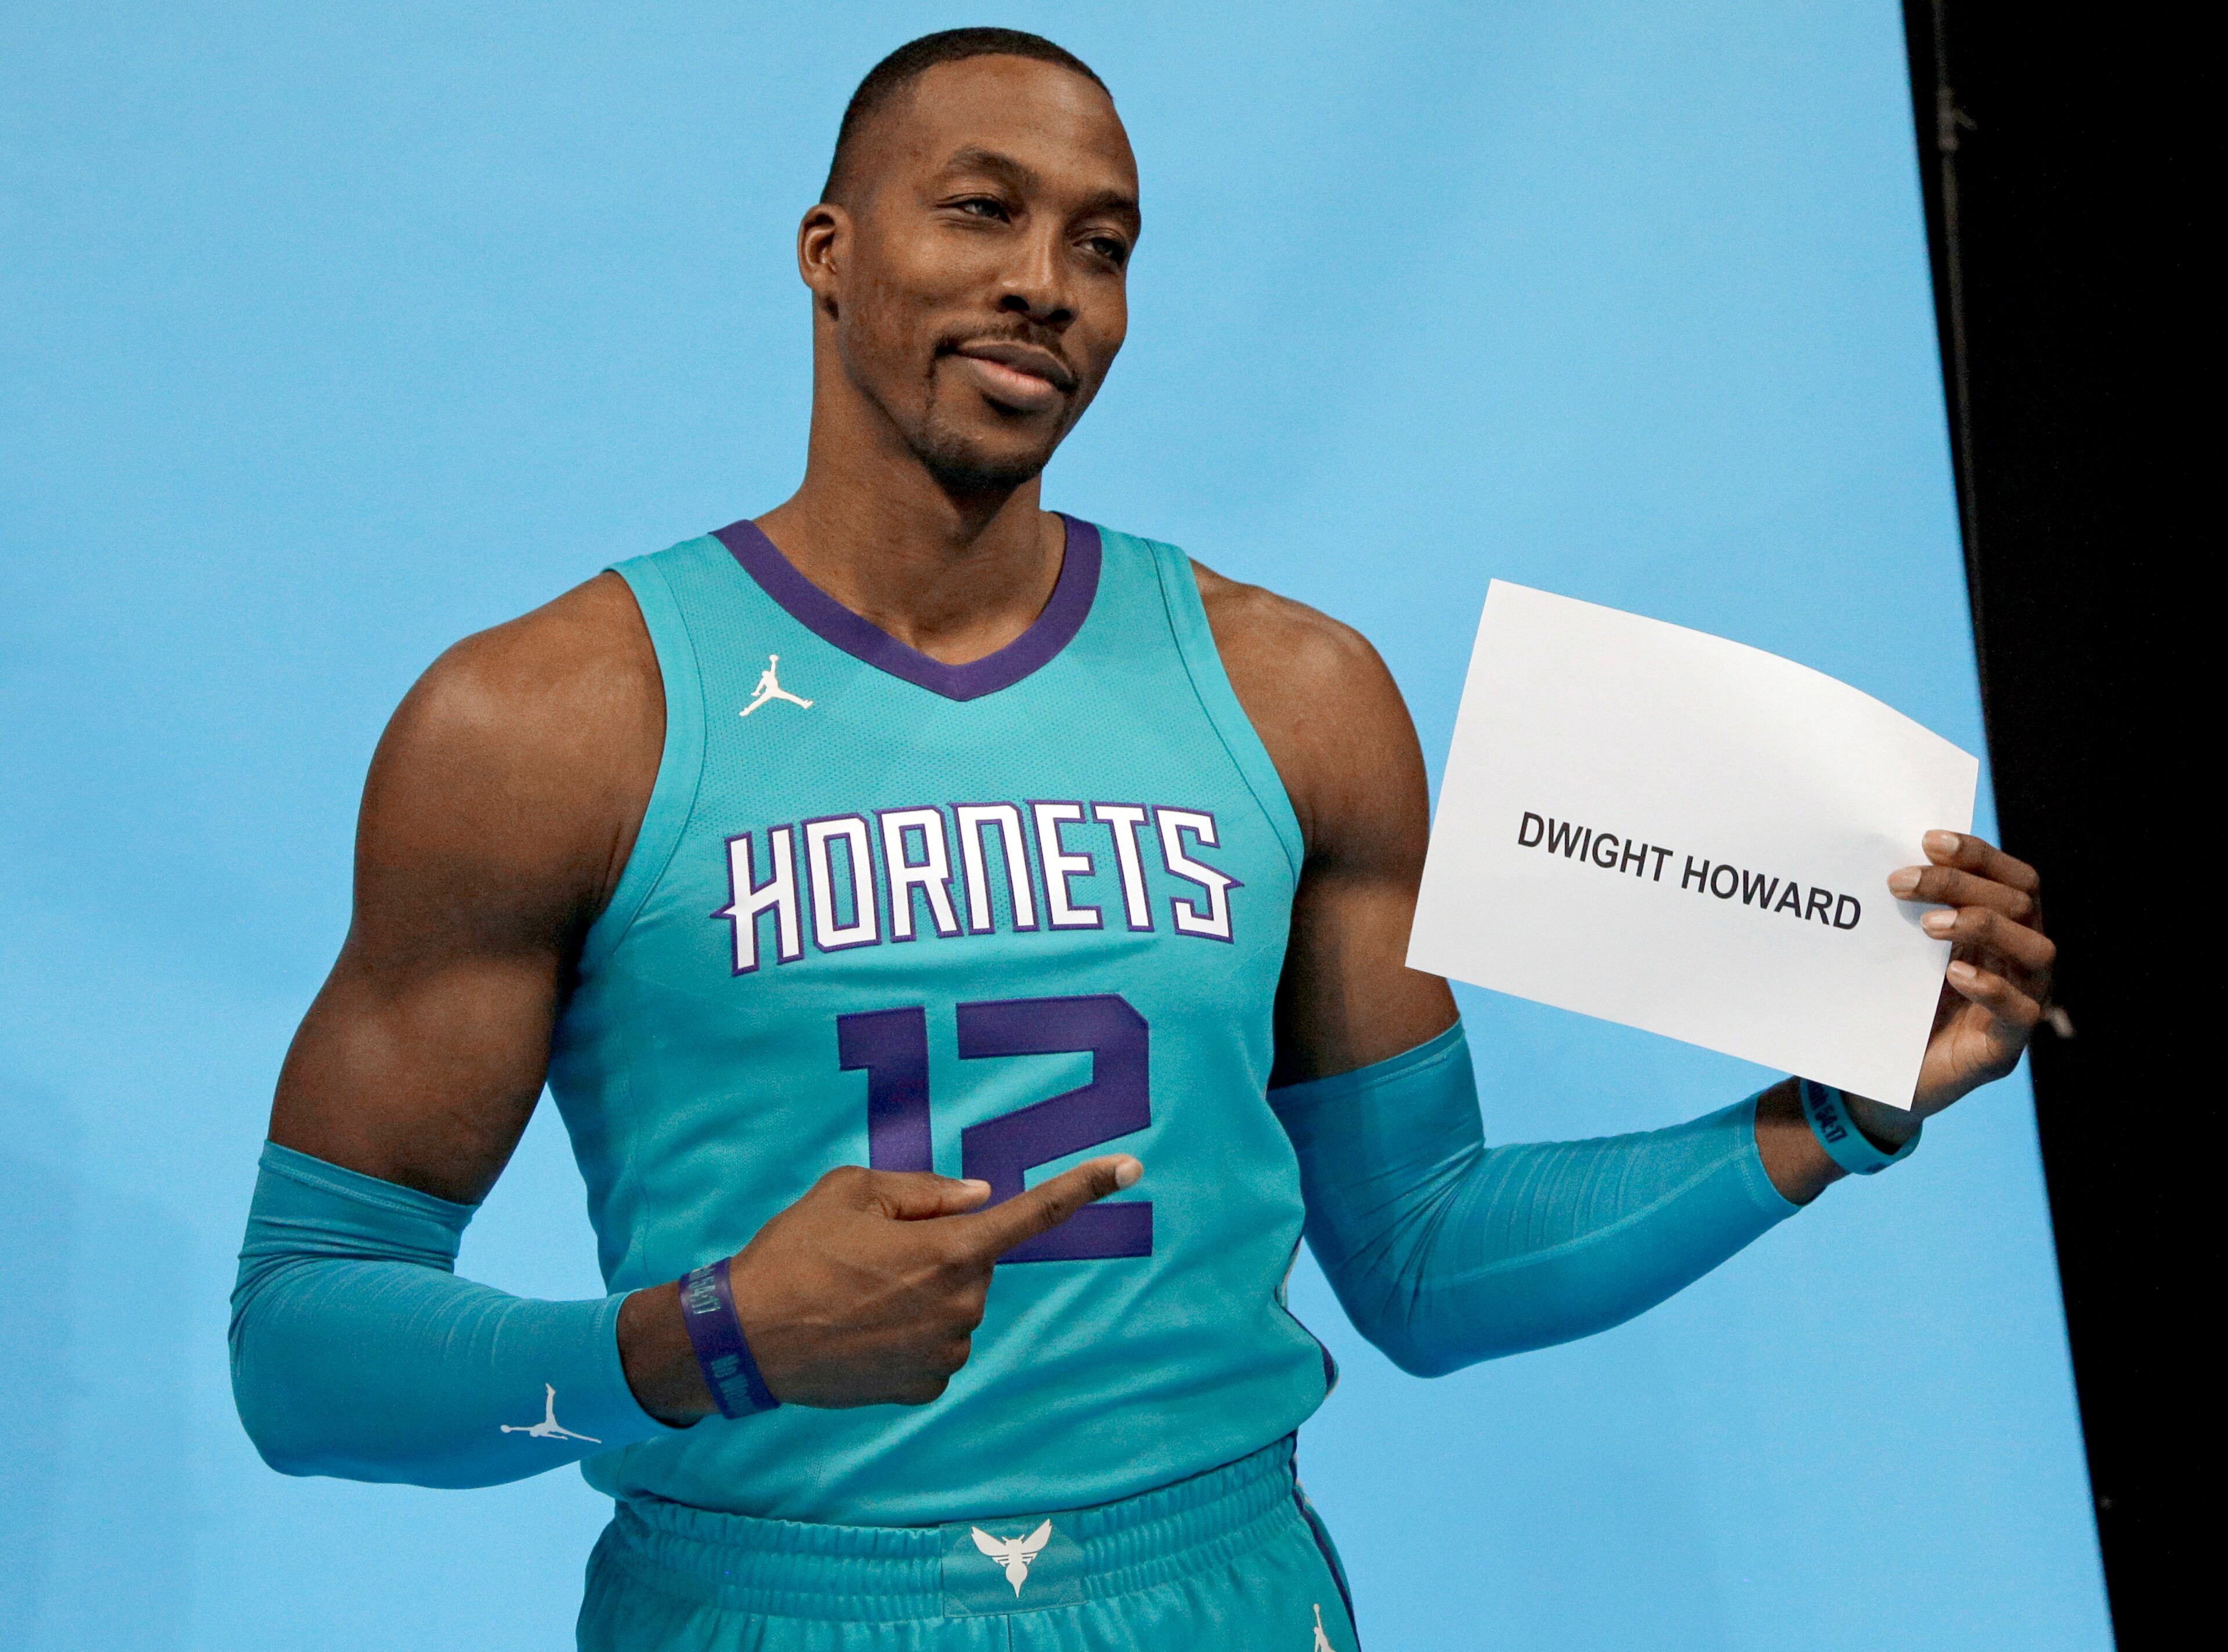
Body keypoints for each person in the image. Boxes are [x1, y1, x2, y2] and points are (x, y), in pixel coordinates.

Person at [228, 28, 2055, 1651]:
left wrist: (1843, 1108)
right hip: (761, 1596)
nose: (1045, 284)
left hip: (1225, 1588)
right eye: (981, 212)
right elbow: (301, 1356)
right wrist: (708, 1338)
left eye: (1099, 245)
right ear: (826, 252)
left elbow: (1419, 1262)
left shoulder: (1296, 691)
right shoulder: (548, 722)